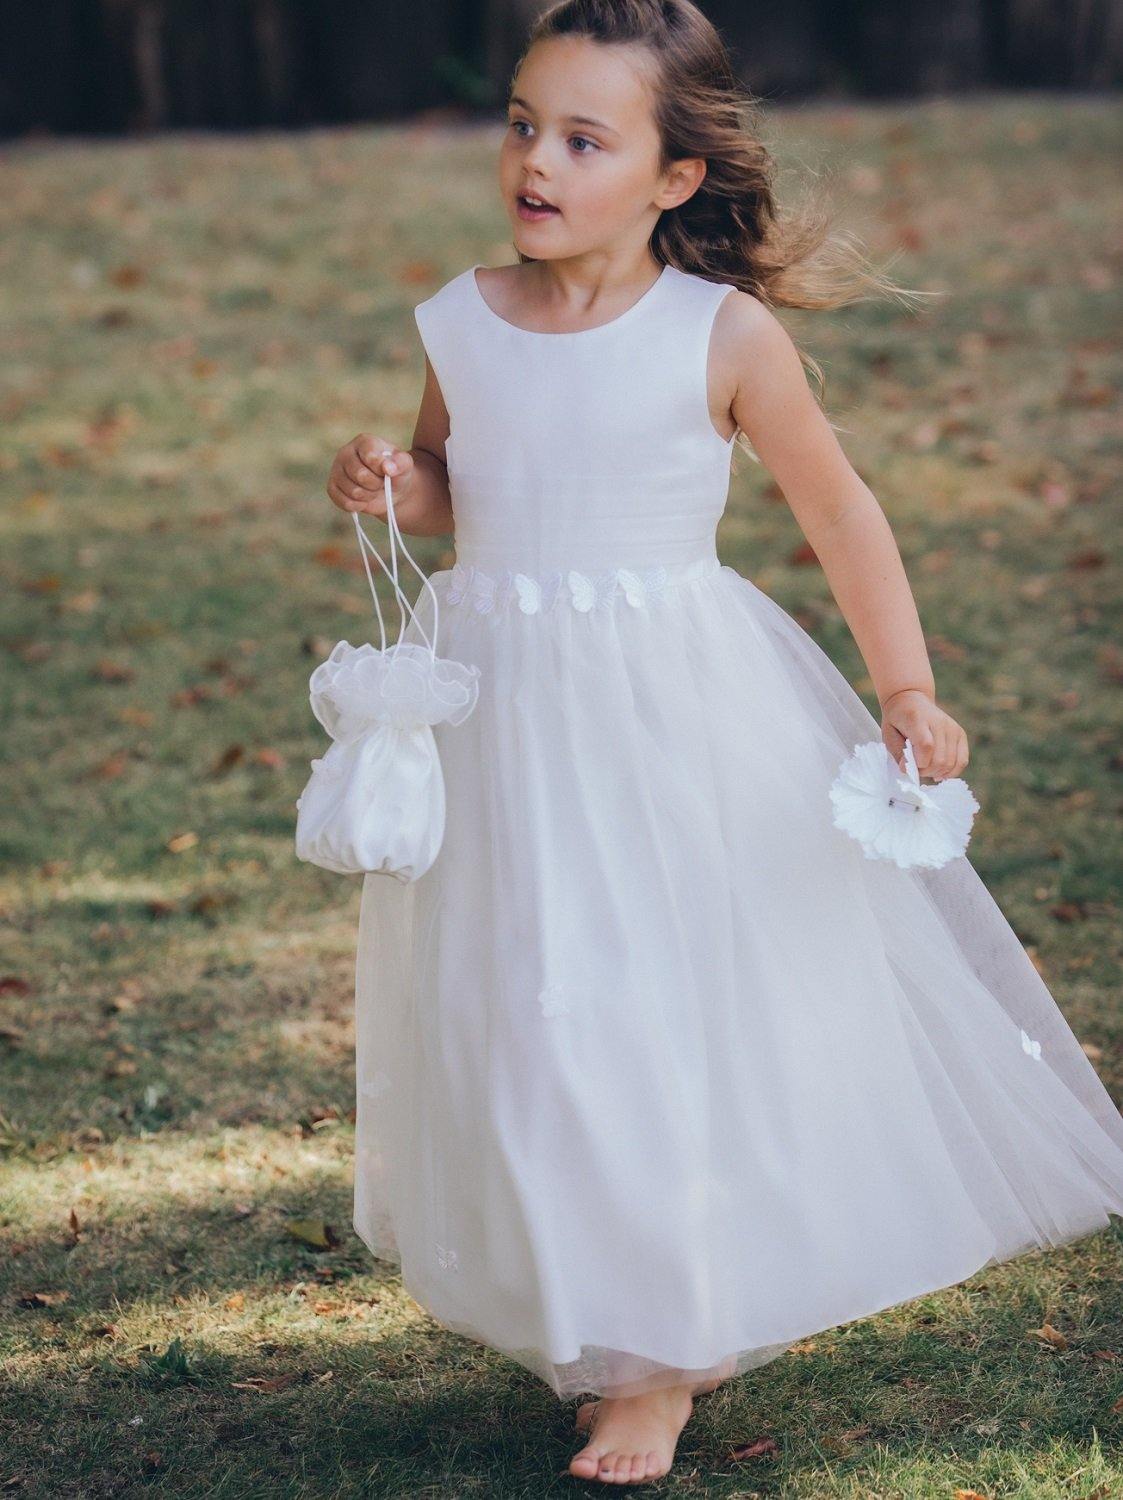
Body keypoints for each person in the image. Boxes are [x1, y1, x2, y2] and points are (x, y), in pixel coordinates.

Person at [324, 0, 1123, 1485]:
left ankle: (660, 1361)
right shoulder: (464, 317)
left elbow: (839, 510)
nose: (536, 161)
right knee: (532, 1001)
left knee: (648, 1006)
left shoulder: (722, 335)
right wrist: (389, 480)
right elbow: (452, 480)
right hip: (504, 716)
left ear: (674, 176)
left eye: (584, 139)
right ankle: (591, 1293)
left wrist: (905, 688)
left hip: (666, 711)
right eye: (522, 124)